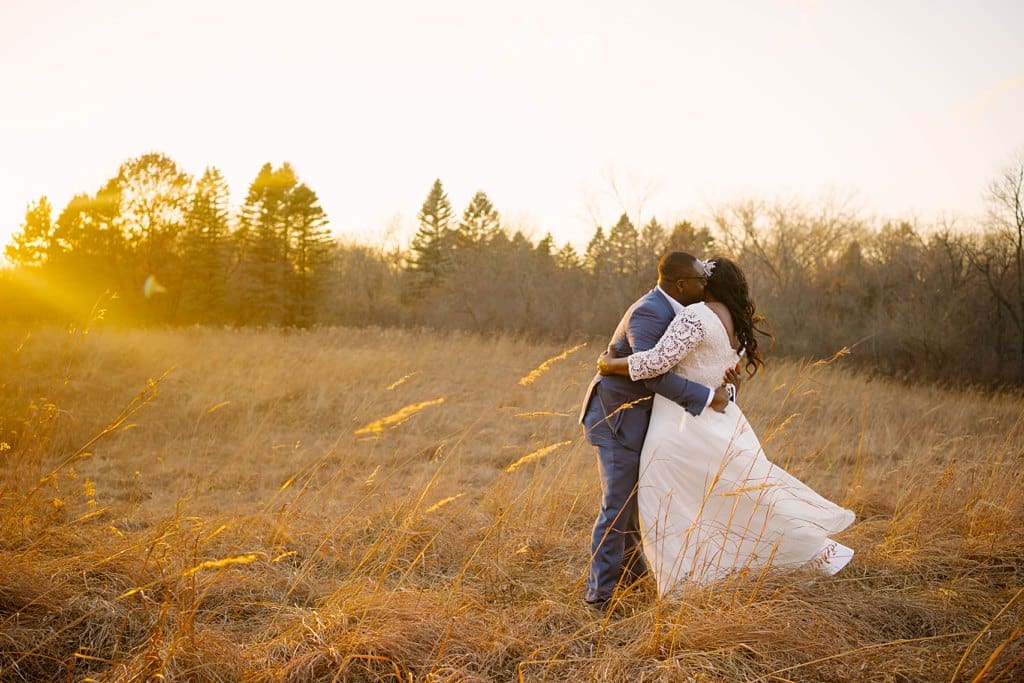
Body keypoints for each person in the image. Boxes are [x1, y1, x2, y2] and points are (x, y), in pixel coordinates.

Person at [597, 256, 855, 595]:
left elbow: (656, 363)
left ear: (708, 284)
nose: (699, 285)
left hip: (680, 425)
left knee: (670, 506)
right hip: (719, 420)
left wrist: (610, 364)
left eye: (703, 279)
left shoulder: (696, 316)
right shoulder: (732, 324)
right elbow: (721, 381)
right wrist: (727, 391)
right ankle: (722, 572)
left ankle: (684, 588)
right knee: (732, 501)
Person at [579, 252, 733, 612]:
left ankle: (634, 580)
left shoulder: (684, 315)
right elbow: (652, 373)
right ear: (682, 285)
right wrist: (709, 398)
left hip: (641, 419)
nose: (705, 285)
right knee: (617, 508)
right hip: (617, 419)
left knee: (632, 507)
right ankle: (599, 597)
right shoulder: (651, 311)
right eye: (700, 280)